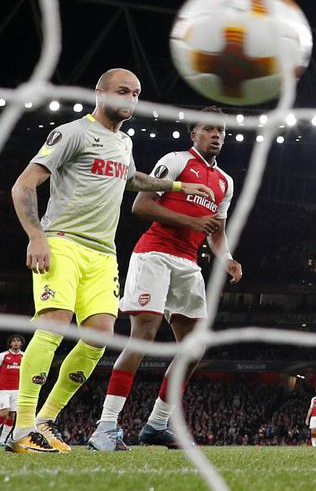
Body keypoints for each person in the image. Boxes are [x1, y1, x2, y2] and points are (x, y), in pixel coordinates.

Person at [7, 68, 213, 453]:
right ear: (99, 93)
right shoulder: (72, 133)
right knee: (54, 326)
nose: (130, 99)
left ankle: (45, 421)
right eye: (122, 91)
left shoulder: (124, 142)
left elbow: (130, 179)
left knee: (99, 338)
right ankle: (20, 428)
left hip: (103, 253)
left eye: (135, 93)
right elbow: (24, 184)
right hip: (64, 242)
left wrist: (179, 185)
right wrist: (37, 235)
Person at [88, 106, 242, 451]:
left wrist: (228, 259)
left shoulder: (225, 182)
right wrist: (190, 223)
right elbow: (140, 206)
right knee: (143, 336)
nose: (217, 136)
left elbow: (217, 232)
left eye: (222, 132)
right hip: (154, 255)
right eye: (210, 130)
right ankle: (105, 426)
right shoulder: (174, 161)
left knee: (196, 346)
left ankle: (156, 425)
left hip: (188, 265)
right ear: (195, 134)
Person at [0, 335, 24, 444]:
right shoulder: (3, 356)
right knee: (4, 412)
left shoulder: (24, 356)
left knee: (12, 414)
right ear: (10, 343)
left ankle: (2, 440)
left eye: (18, 341)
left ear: (21, 343)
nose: (16, 343)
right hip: (3, 389)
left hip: (17, 390)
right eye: (13, 341)